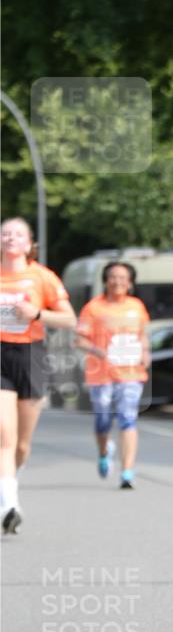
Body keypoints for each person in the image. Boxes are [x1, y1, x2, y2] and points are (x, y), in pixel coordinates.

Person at [0, 217, 76, 533]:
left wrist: (37, 314)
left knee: (21, 446)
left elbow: (69, 320)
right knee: (4, 436)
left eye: (18, 233)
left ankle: (9, 482)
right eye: (4, 233)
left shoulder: (42, 277)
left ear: (30, 242)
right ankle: (10, 505)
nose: (10, 238)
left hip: (31, 354)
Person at [76, 262, 151, 490]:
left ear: (130, 283)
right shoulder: (93, 308)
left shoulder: (137, 306)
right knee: (103, 422)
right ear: (106, 281)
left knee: (128, 419)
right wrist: (97, 351)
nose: (118, 281)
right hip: (102, 375)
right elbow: (79, 339)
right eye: (113, 277)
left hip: (131, 373)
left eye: (123, 278)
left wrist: (146, 353)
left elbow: (144, 336)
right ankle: (104, 450)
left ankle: (127, 472)